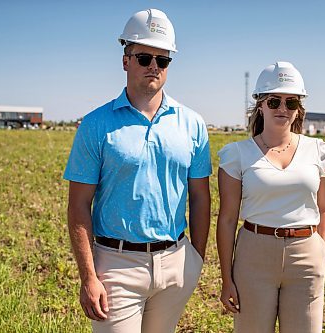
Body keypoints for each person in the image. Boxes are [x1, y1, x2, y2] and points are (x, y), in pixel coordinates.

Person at [63, 8, 211, 333]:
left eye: (163, 60)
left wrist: (195, 258)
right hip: (115, 266)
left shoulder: (193, 124)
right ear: (126, 60)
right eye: (145, 58)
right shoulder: (95, 125)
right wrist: (89, 276)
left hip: (175, 263)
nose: (154, 67)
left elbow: (201, 197)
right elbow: (78, 205)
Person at [216, 61, 325, 333]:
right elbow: (226, 219)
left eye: (291, 102)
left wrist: (322, 249)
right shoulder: (237, 154)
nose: (282, 109)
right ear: (260, 104)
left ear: (298, 108)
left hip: (306, 256)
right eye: (274, 101)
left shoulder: (318, 151)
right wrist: (226, 278)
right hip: (253, 256)